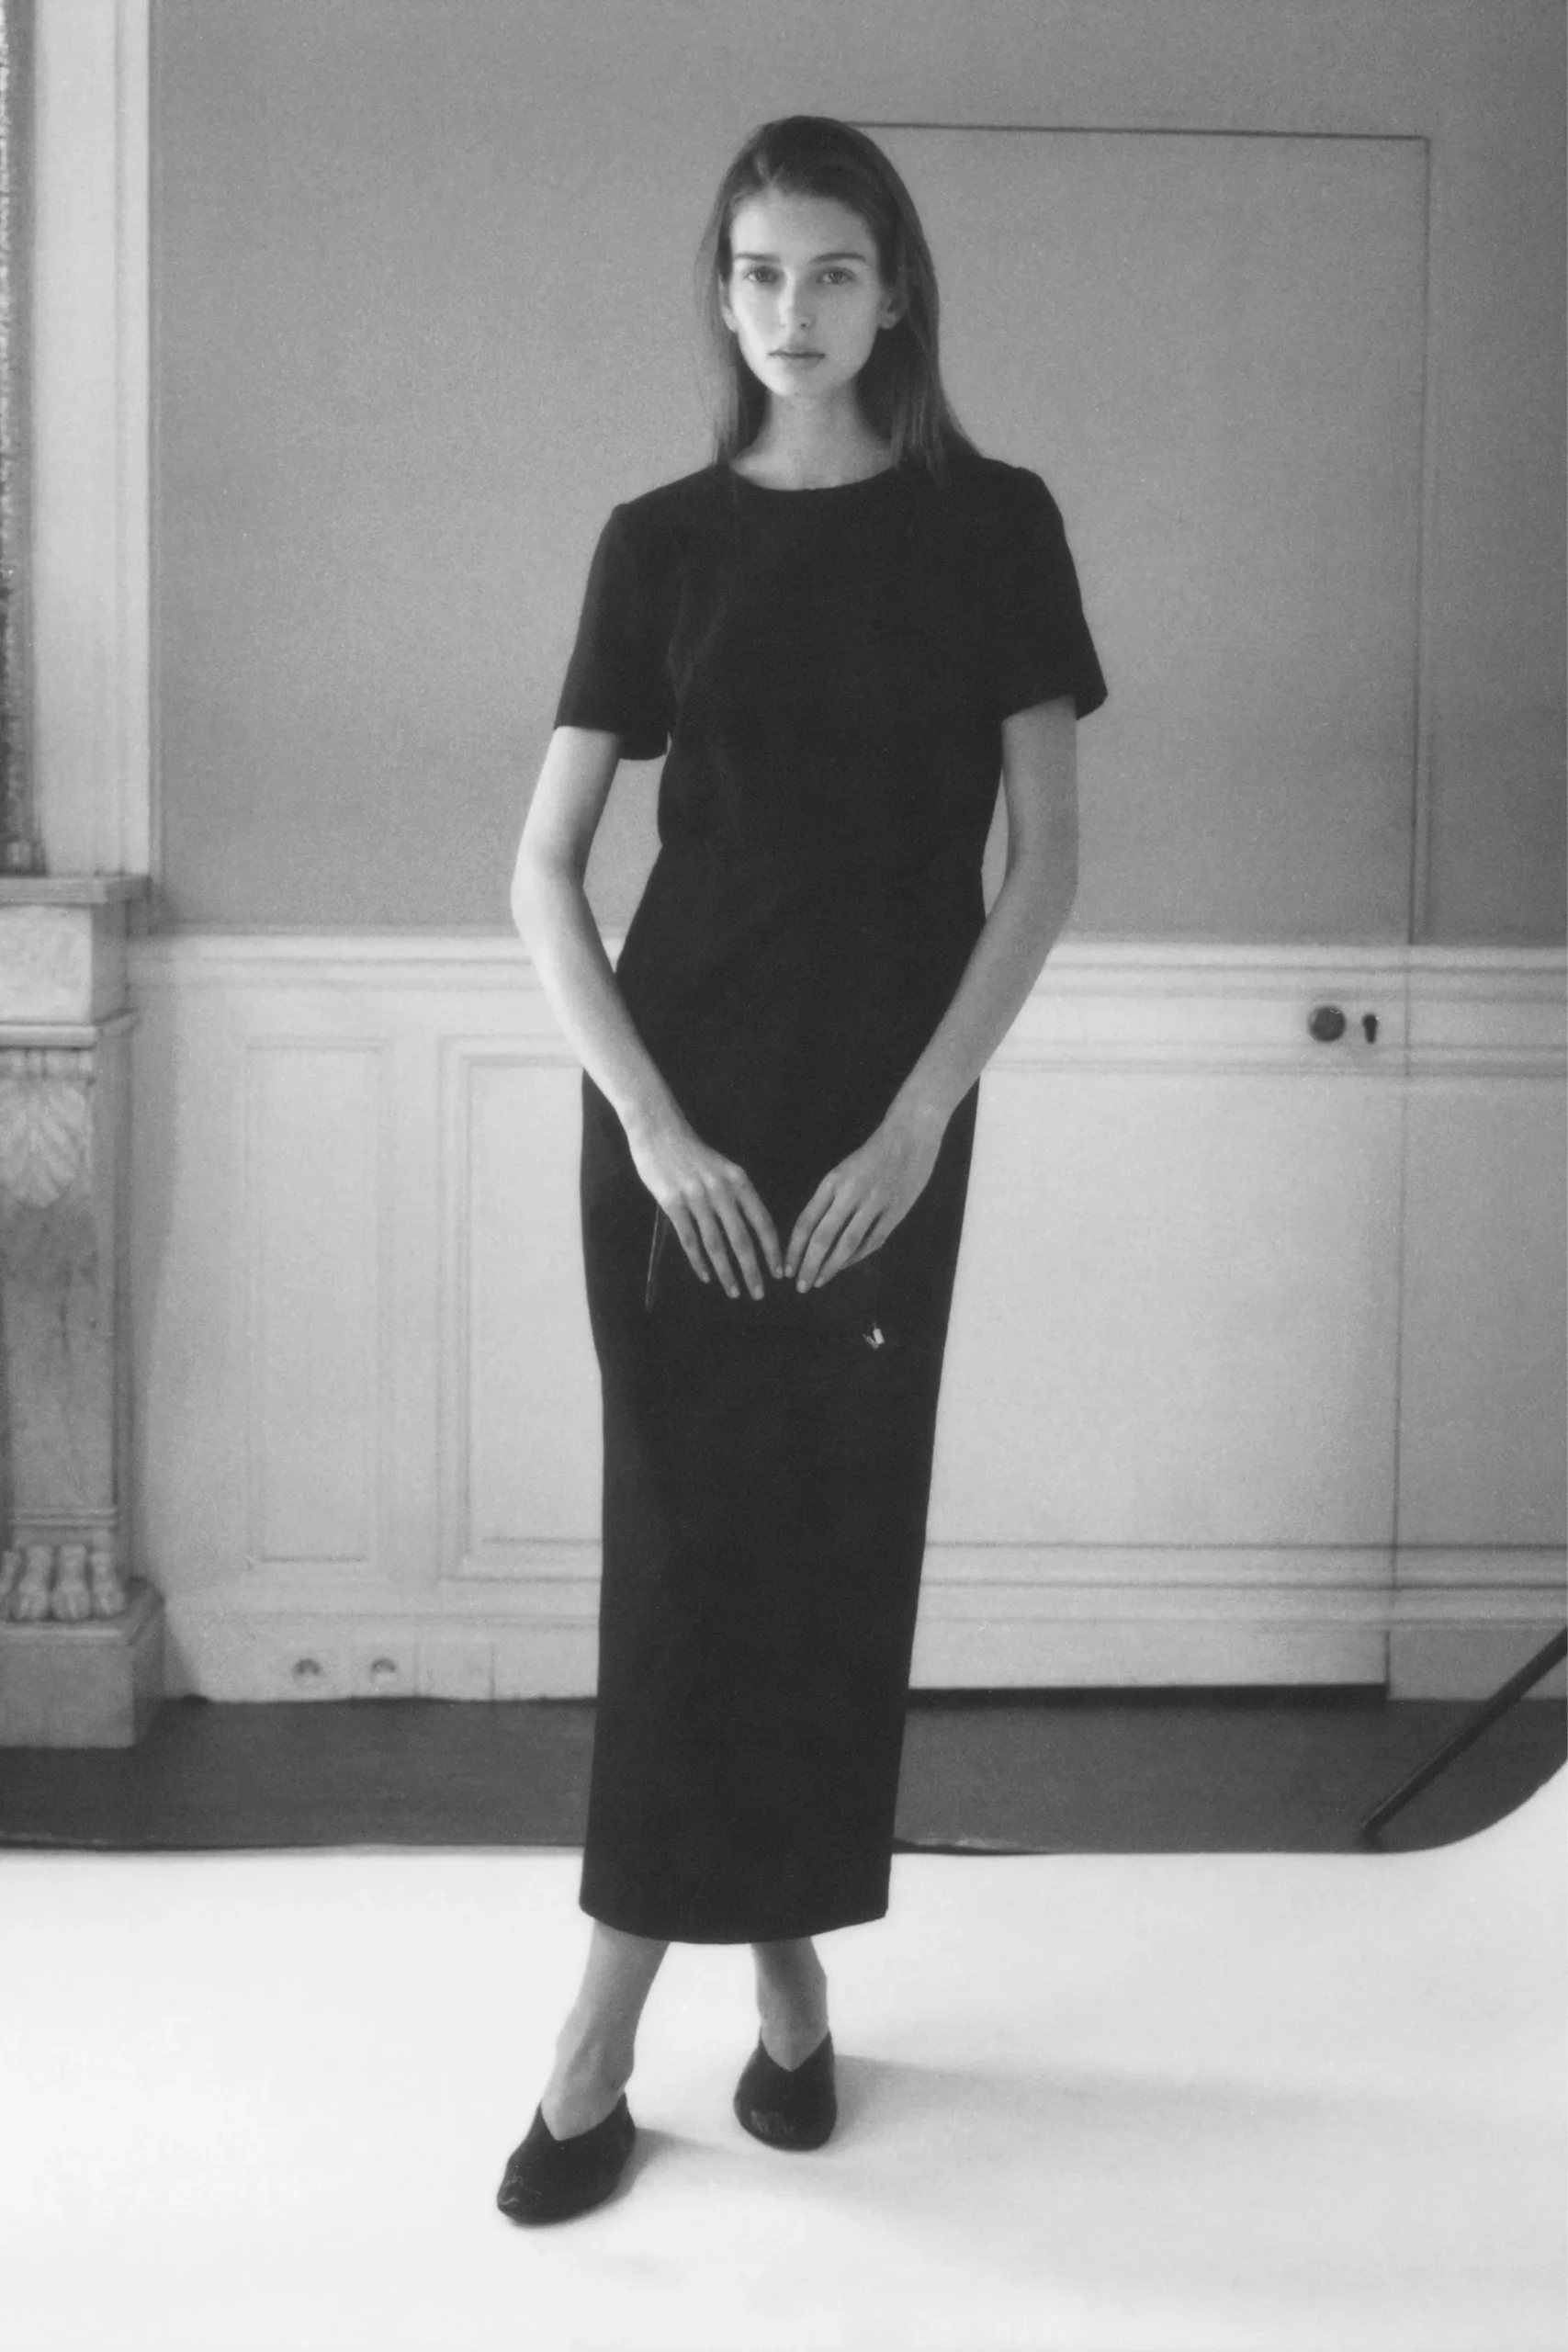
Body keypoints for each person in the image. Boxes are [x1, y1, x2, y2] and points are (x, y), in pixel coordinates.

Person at [499, 113, 1107, 2224]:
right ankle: (609, 2035)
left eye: (832, 269)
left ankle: (779, 1980)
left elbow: (1044, 861)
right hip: (678, 1128)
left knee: (824, 1553)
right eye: (756, 271)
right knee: (686, 1554)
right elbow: (543, 874)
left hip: (886, 1120)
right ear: (720, 291)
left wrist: (921, 1115)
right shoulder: (657, 542)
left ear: (896, 287)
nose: (791, 309)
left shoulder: (993, 525)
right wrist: (651, 1123)